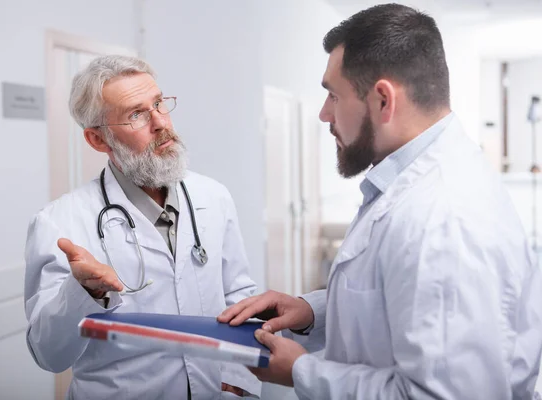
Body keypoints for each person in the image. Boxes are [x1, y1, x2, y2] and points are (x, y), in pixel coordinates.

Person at [219, 4, 542, 399]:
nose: (324, 115)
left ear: (384, 100)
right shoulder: (412, 183)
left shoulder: (442, 219)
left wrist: (301, 370)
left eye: (333, 96)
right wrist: (311, 312)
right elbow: (397, 301)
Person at [24, 55, 260, 399]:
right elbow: (48, 354)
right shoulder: (59, 222)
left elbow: (239, 296)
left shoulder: (213, 196)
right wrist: (82, 295)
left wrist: (241, 382)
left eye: (159, 104)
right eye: (137, 114)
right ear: (97, 140)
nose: (161, 122)